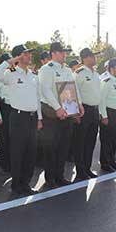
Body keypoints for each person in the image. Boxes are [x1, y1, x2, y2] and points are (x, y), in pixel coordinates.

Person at [0, 44, 42, 195]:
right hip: (18, 117)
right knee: (17, 152)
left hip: (32, 118)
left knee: (30, 152)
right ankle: (16, 184)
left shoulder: (33, 75)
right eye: (26, 54)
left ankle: (26, 183)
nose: (29, 56)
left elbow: (37, 98)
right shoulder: (11, 74)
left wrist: (39, 118)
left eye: (29, 54)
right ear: (19, 56)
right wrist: (11, 61)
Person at [38, 42, 84, 188]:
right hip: (52, 114)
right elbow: (46, 90)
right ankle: (50, 178)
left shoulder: (66, 70)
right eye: (62, 52)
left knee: (63, 147)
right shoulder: (46, 69)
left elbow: (72, 88)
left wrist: (79, 105)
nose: (65, 54)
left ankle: (60, 175)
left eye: (65, 52)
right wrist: (58, 108)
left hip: (67, 113)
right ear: (53, 53)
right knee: (51, 147)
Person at [72, 48, 101, 181]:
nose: (95, 58)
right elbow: (72, 92)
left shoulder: (96, 73)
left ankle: (87, 168)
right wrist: (75, 112)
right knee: (80, 142)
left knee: (91, 141)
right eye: (92, 56)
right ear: (85, 58)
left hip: (94, 110)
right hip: (83, 111)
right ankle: (80, 170)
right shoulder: (79, 73)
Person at [99, 58, 116, 172]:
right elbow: (101, 100)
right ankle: (105, 163)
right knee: (107, 140)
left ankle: (112, 160)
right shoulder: (106, 82)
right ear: (112, 69)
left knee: (115, 139)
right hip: (110, 114)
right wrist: (104, 116)